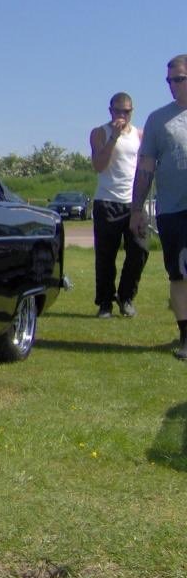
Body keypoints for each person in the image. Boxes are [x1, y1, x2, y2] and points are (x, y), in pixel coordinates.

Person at [131, 54, 187, 360]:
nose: (172, 86)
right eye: (169, 81)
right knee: (179, 274)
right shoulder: (157, 120)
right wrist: (136, 209)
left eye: (178, 79)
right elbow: (146, 168)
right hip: (174, 211)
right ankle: (185, 337)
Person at [89, 92, 148, 318]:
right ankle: (105, 303)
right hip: (107, 202)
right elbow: (99, 166)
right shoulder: (99, 133)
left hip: (133, 203)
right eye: (117, 111)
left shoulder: (140, 135)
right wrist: (113, 136)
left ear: (132, 111)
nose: (122, 115)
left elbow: (146, 168)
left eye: (126, 111)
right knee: (106, 256)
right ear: (110, 111)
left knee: (140, 251)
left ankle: (126, 297)